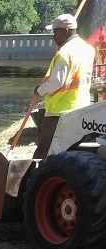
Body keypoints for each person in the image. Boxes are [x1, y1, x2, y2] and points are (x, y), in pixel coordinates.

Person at [33, 14, 96, 159]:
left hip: (59, 111)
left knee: (44, 149)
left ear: (67, 30)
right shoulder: (88, 49)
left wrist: (39, 90)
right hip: (81, 107)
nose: (53, 36)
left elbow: (56, 82)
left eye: (55, 32)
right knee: (72, 148)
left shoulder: (64, 52)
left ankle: (34, 179)